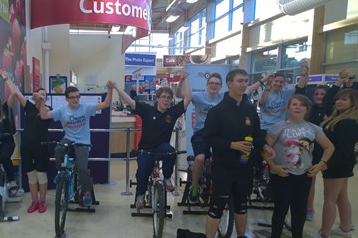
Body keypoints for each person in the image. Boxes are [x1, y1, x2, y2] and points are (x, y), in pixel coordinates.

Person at [202, 69, 275, 238]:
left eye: (245, 81)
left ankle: (241, 235)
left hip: (245, 167)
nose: (243, 84)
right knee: (217, 206)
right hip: (223, 166)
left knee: (242, 204)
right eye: (240, 81)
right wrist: (231, 145)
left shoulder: (250, 110)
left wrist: (264, 146)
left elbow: (256, 134)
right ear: (229, 83)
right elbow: (209, 138)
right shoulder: (217, 112)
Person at [109, 75, 192, 211]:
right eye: (163, 97)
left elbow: (188, 98)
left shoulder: (172, 112)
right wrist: (117, 87)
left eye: (168, 98)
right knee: (143, 172)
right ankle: (141, 195)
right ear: (158, 98)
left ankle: (166, 178)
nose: (166, 100)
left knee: (171, 151)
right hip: (145, 149)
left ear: (171, 100)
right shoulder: (147, 110)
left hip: (162, 147)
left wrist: (184, 80)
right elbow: (130, 101)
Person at [264, 94, 334, 238]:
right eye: (294, 104)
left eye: (301, 105)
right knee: (280, 210)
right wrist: (273, 166)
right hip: (282, 175)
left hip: (304, 175)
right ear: (288, 108)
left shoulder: (313, 128)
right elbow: (264, 150)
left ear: (307, 109)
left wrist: (321, 164)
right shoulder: (278, 128)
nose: (297, 107)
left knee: (300, 210)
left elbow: (329, 147)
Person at [38, 84, 113, 207]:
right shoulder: (62, 110)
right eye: (72, 97)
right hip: (68, 139)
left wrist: (110, 89)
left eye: (77, 97)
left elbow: (105, 104)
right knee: (58, 149)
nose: (75, 100)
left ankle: (87, 192)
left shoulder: (85, 108)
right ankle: (61, 173)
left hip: (83, 142)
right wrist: (41, 102)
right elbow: (44, 116)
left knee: (82, 168)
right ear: (66, 99)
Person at [0, 69, 52, 213]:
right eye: (39, 94)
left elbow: (43, 114)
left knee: (41, 175)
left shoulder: (48, 109)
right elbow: (15, 92)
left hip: (41, 147)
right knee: (31, 174)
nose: (41, 96)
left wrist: (41, 101)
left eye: (44, 95)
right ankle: (34, 201)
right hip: (27, 146)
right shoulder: (28, 107)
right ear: (34, 97)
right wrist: (6, 78)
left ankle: (42, 201)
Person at [316, 88, 358, 238]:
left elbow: (344, 149)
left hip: (337, 164)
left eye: (344, 99)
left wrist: (326, 162)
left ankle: (324, 233)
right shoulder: (339, 118)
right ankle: (345, 228)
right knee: (341, 197)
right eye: (338, 99)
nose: (339, 102)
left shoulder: (348, 122)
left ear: (353, 103)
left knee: (330, 199)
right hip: (340, 163)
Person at [176, 72, 223, 202]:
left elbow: (244, 91)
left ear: (221, 86)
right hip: (201, 133)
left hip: (218, 133)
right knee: (200, 158)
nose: (214, 85)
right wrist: (181, 82)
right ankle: (194, 185)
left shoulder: (223, 99)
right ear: (207, 85)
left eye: (217, 84)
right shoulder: (198, 97)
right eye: (211, 83)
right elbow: (179, 95)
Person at [306, 85, 329, 221]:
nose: (319, 96)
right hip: (314, 149)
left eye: (323, 94)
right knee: (310, 181)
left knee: (332, 187)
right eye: (317, 94)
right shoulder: (311, 111)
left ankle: (345, 221)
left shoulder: (332, 111)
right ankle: (309, 208)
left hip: (328, 150)